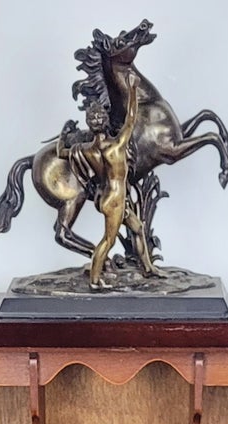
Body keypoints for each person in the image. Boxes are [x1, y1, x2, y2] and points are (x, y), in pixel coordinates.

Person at [80, 79, 158, 288]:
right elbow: (131, 118)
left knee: (138, 228)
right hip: (115, 199)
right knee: (109, 241)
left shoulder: (87, 149)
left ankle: (148, 268)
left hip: (109, 196)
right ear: (104, 122)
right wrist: (132, 89)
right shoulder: (116, 146)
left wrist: (61, 140)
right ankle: (95, 280)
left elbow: (64, 152)